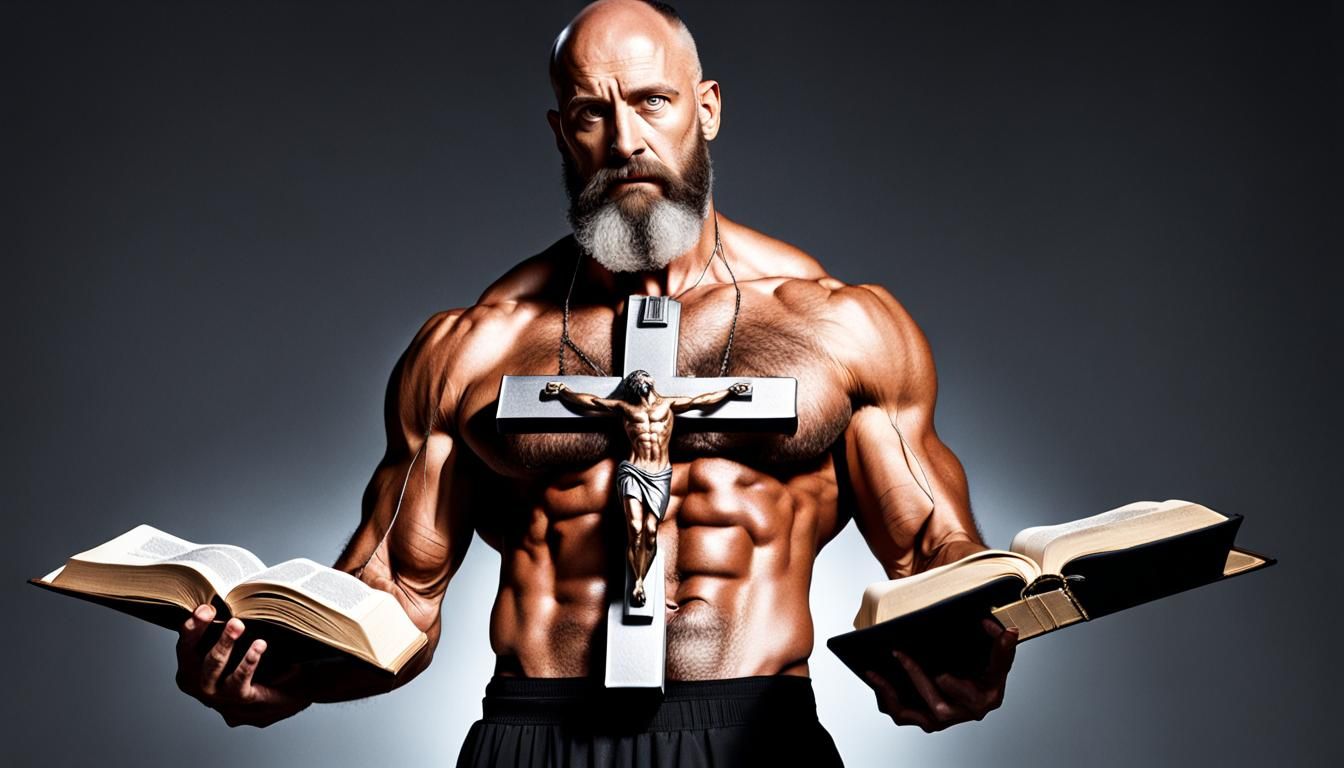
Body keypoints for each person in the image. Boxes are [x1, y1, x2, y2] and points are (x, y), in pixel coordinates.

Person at [173, 1, 1017, 764]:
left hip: (759, 737)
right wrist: (288, 673)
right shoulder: (474, 347)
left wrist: (969, 654)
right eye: (591, 112)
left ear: (707, 108)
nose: (624, 140)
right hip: (534, 736)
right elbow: (396, 593)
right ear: (560, 131)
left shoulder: (838, 328)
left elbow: (932, 556)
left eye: (652, 100)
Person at [543, 372, 753, 606]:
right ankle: (638, 582)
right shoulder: (624, 408)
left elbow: (701, 401)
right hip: (633, 470)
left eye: (643, 377)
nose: (639, 380)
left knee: (651, 532)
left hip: (659, 474)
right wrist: (564, 392)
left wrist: (730, 392)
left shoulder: (669, 405)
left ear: (651, 382)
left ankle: (642, 575)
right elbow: (592, 402)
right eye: (635, 379)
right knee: (634, 526)